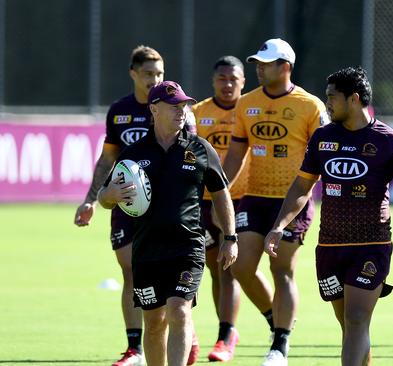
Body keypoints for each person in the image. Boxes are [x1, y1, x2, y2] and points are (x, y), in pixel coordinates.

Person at [264, 66, 393, 366]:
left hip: (371, 245)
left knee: (355, 319)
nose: (327, 103)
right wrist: (279, 225)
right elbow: (302, 185)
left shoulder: (388, 140)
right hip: (329, 247)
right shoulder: (322, 138)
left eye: (332, 98)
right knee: (350, 325)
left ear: (353, 99)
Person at [98, 81, 238, 366]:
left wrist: (230, 237)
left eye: (184, 105)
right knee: (153, 322)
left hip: (187, 247)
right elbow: (105, 196)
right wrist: (108, 195)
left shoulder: (200, 149)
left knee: (179, 310)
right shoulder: (134, 153)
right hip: (147, 249)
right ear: (154, 109)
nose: (181, 111)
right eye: (174, 106)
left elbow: (222, 195)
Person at [222, 38, 328, 366]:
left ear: (285, 67)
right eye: (257, 62)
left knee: (281, 268)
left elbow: (324, 155)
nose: (258, 68)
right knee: (240, 266)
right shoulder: (246, 103)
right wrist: (218, 188)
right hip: (255, 197)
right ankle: (276, 319)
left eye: (265, 64)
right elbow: (238, 150)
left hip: (293, 200)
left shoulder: (310, 106)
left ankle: (280, 345)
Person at [74, 45, 164, 366]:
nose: (154, 79)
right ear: (133, 74)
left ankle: (175, 329)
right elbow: (108, 157)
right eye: (148, 74)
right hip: (125, 205)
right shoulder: (119, 111)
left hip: (162, 207)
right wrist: (90, 199)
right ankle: (134, 349)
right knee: (131, 272)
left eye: (159, 73)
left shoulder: (168, 105)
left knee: (161, 274)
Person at [192, 55, 274, 362]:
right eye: (221, 79)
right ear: (213, 82)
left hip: (245, 199)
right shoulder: (198, 113)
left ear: (243, 82)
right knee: (216, 270)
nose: (227, 85)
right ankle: (257, 324)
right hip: (205, 200)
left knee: (235, 269)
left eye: (233, 79)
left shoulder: (252, 111)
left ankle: (227, 335)